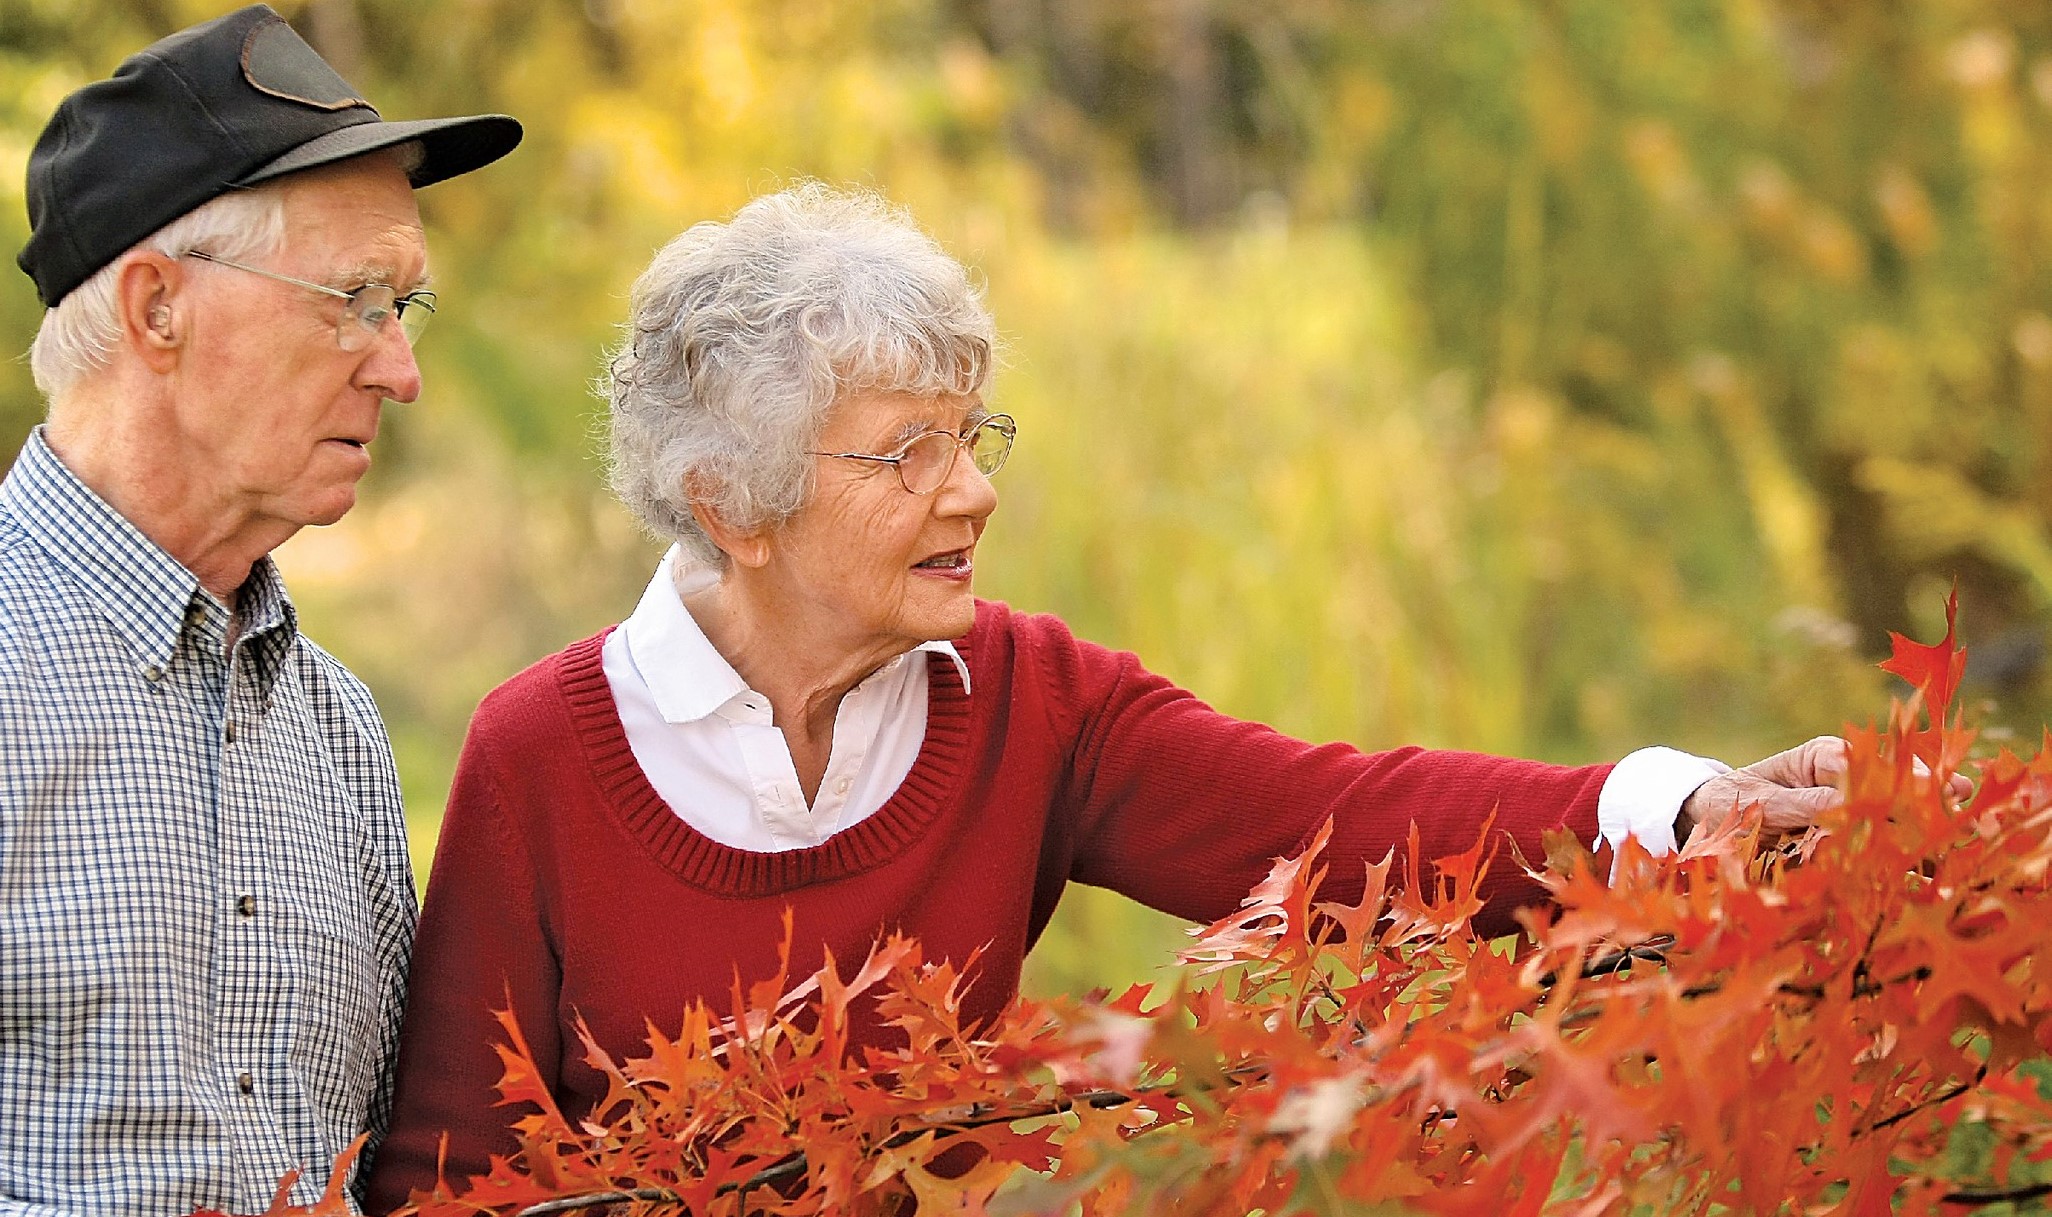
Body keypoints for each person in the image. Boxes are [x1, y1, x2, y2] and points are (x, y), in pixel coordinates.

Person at [366, 184, 1845, 1208]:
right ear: (730, 504)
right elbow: (452, 1178)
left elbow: (1342, 818)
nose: (976, 490)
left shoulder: (1031, 702)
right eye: (906, 455)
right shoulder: (544, 750)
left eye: (972, 432)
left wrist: (1674, 806)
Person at [0, 7, 520, 1215]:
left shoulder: (336, 728)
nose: (401, 369)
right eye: (352, 297)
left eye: (404, 306)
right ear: (154, 310)